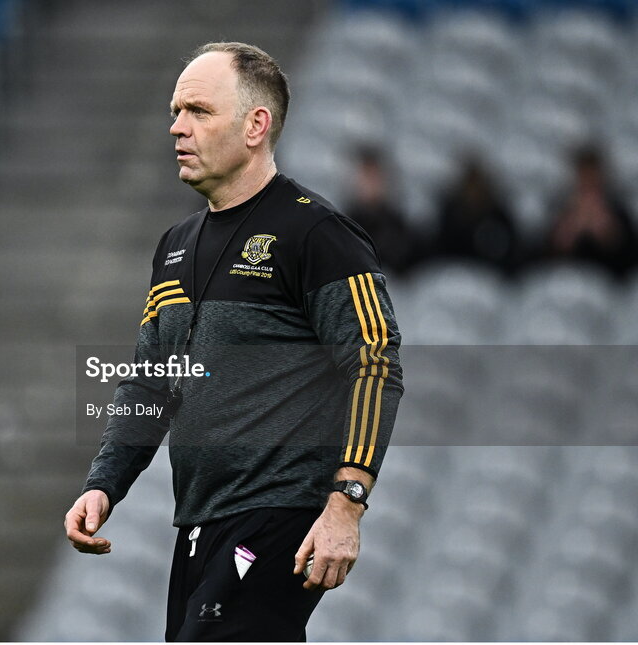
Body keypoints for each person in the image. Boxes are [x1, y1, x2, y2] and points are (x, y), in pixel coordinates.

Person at [64, 42, 403, 641]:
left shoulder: (317, 233)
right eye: (175, 110)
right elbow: (151, 381)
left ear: (255, 125)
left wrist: (346, 505)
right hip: (200, 519)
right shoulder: (174, 245)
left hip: (280, 514)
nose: (176, 127)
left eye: (197, 110)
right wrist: (104, 482)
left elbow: (375, 363)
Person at [541, 144, 637, 279]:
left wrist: (609, 233)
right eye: (584, 177)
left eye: (593, 177)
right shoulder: (560, 209)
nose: (588, 183)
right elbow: (543, 260)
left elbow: (629, 261)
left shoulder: (618, 209)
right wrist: (569, 229)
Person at [432, 156, 520, 274]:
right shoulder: (450, 216)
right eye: (470, 185)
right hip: (453, 276)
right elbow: (440, 252)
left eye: (478, 184)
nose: (474, 191)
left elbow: (510, 254)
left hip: (492, 280)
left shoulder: (498, 216)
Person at [344, 145, 420, 275]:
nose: (371, 184)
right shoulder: (343, 226)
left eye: (375, 176)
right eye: (366, 176)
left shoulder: (399, 226)